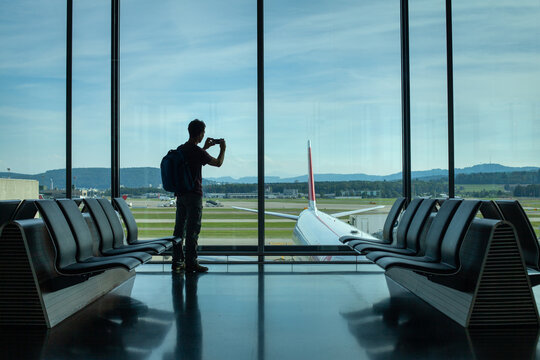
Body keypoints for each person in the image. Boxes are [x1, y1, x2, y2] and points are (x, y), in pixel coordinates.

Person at [172, 119, 226, 273]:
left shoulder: (182, 149)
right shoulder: (197, 151)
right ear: (201, 133)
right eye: (203, 132)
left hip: (181, 194)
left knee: (179, 230)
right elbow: (218, 163)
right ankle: (191, 263)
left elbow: (193, 161)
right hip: (194, 195)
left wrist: (204, 148)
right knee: (192, 230)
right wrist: (223, 149)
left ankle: (177, 261)